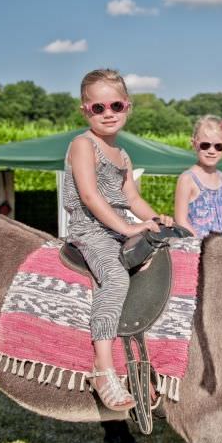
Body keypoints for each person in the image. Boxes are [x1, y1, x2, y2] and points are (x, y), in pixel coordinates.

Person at [63, 68, 173, 411]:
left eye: (115, 105)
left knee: (162, 263)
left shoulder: (123, 156)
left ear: (127, 107)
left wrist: (153, 218)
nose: (108, 113)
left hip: (116, 225)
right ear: (85, 110)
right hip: (89, 228)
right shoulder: (84, 145)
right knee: (113, 277)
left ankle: (149, 359)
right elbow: (91, 197)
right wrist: (127, 229)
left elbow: (133, 200)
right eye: (98, 108)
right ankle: (103, 368)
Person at [174, 115, 222, 238]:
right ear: (194, 144)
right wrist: (202, 244)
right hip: (195, 249)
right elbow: (180, 220)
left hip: (219, 248)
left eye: (218, 146)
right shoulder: (187, 179)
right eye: (205, 145)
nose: (212, 151)